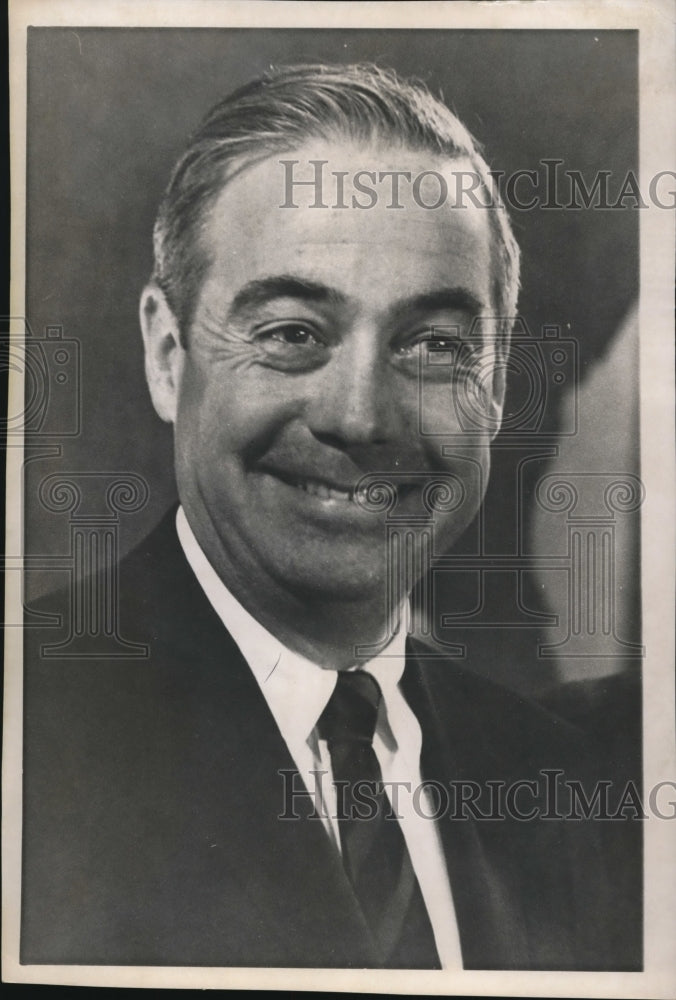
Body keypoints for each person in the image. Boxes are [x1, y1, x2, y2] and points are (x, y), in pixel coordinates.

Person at [21, 63, 640, 970]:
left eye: (435, 345)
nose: (359, 418)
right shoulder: (31, 731)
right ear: (166, 354)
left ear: (498, 384)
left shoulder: (566, 788)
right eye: (292, 334)